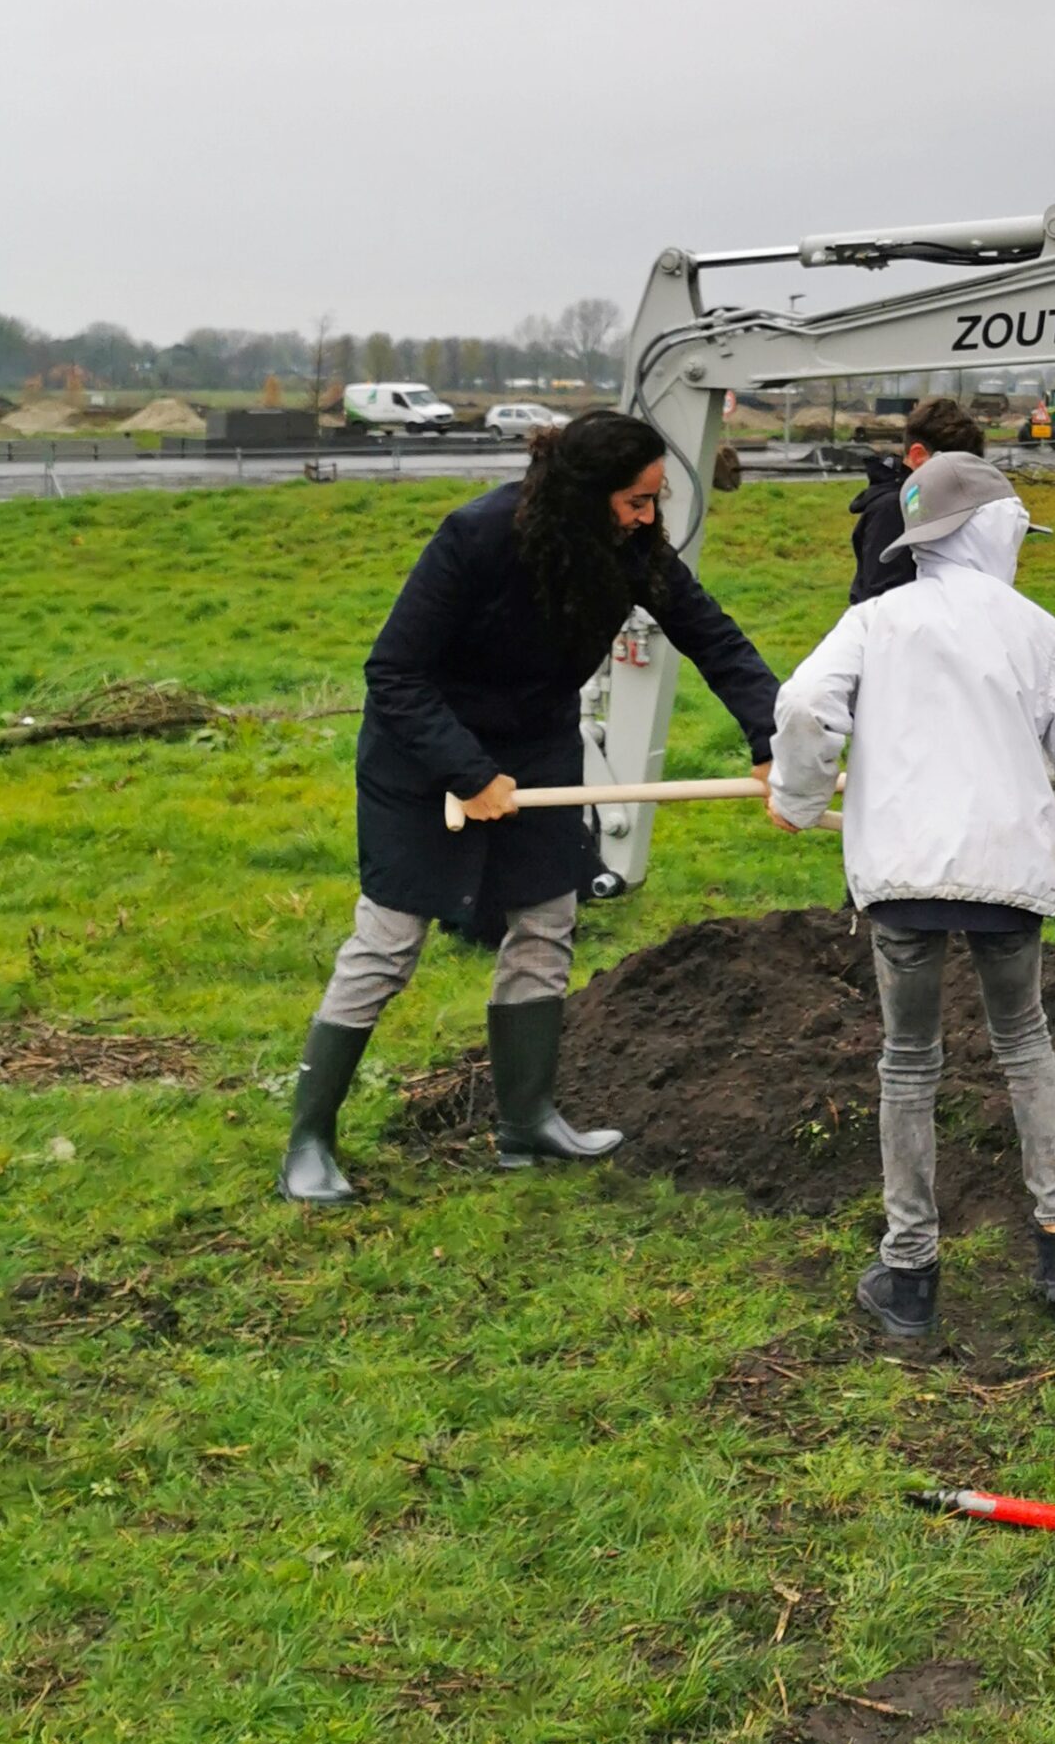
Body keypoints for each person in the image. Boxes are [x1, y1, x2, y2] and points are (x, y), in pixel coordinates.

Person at [278, 412, 781, 1204]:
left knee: (545, 925)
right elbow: (394, 672)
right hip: (424, 754)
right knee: (389, 942)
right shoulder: (475, 537)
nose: (649, 518)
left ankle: (527, 1120)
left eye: (656, 501)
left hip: (539, 748)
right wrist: (468, 773)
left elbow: (712, 636)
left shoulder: (634, 552)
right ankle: (307, 1141)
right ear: (584, 495)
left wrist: (771, 734)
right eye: (635, 501)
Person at [768, 453, 1055, 1337]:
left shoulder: (875, 622)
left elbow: (804, 707)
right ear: (992, 529)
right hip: (1008, 881)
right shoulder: (1033, 630)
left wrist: (798, 798)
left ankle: (910, 1274)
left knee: (909, 1064)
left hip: (903, 883)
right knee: (1024, 1042)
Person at [849, 395, 987, 605]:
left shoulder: (924, 501)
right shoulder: (895, 509)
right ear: (919, 456)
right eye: (954, 472)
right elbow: (885, 600)